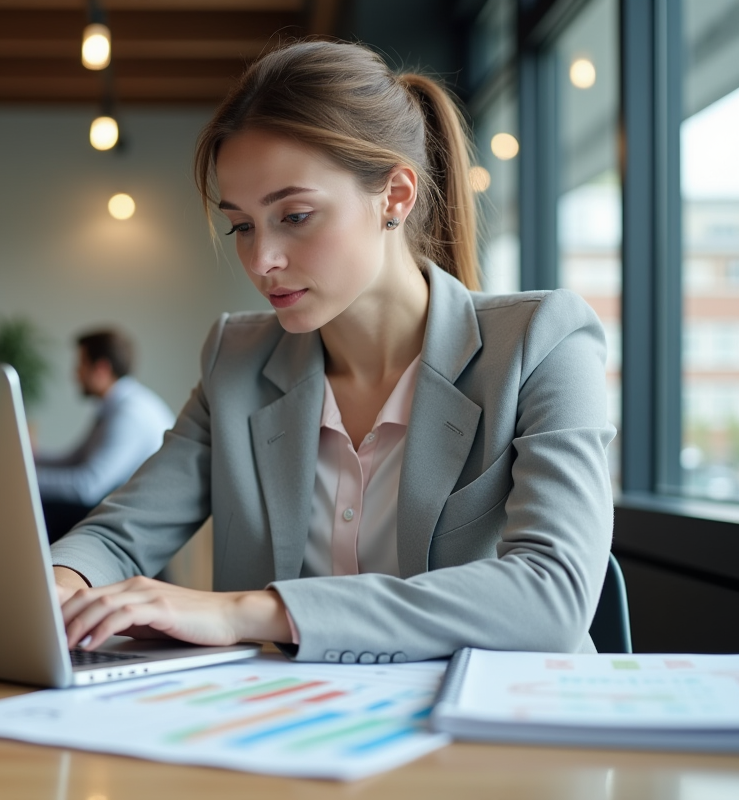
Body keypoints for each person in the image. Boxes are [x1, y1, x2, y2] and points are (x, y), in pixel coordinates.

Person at [51, 41, 615, 664]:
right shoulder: (235, 360)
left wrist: (249, 611)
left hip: (492, 741)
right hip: (285, 732)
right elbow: (120, 535)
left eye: (294, 215)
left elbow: (553, 594)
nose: (261, 261)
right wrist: (58, 586)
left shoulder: (543, 342)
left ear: (395, 197)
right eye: (241, 225)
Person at [36, 329, 175, 542]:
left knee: (39, 510)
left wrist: (27, 481)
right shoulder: (114, 406)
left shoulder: (130, 413)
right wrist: (28, 458)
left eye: (80, 365)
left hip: (139, 523)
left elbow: (87, 486)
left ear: (101, 368)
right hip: (121, 506)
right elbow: (74, 459)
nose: (75, 374)